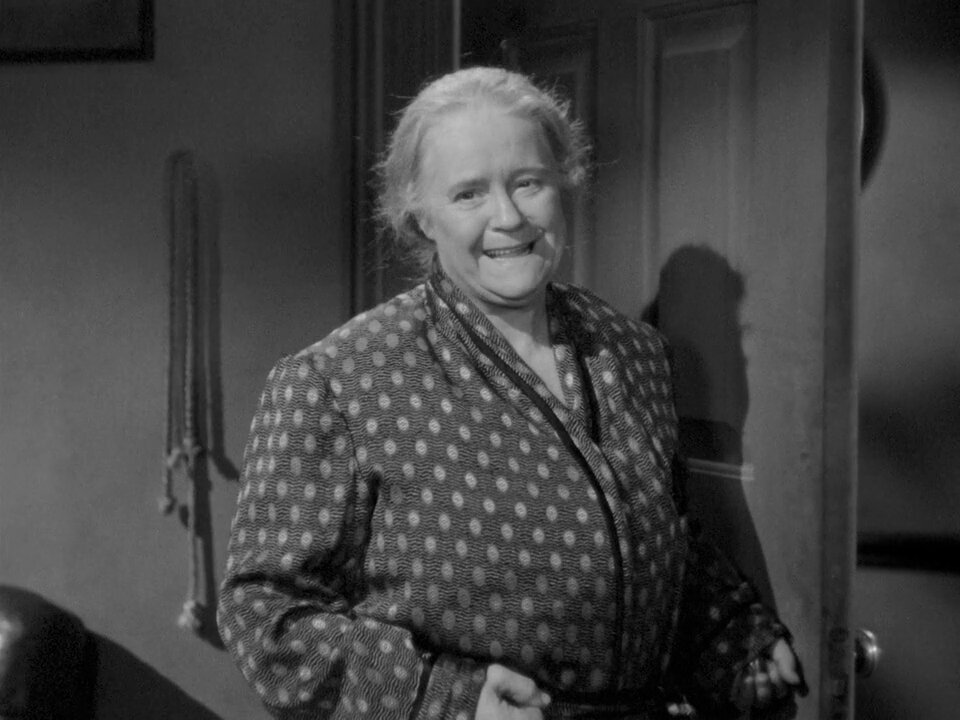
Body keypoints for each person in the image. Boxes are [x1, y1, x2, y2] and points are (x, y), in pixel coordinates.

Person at [217, 66, 803, 720]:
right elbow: (264, 614)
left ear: (563, 183)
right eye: (469, 194)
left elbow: (653, 548)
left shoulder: (634, 353)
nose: (509, 217)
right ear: (421, 217)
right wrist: (448, 699)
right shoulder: (340, 382)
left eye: (528, 183)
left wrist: (733, 639)